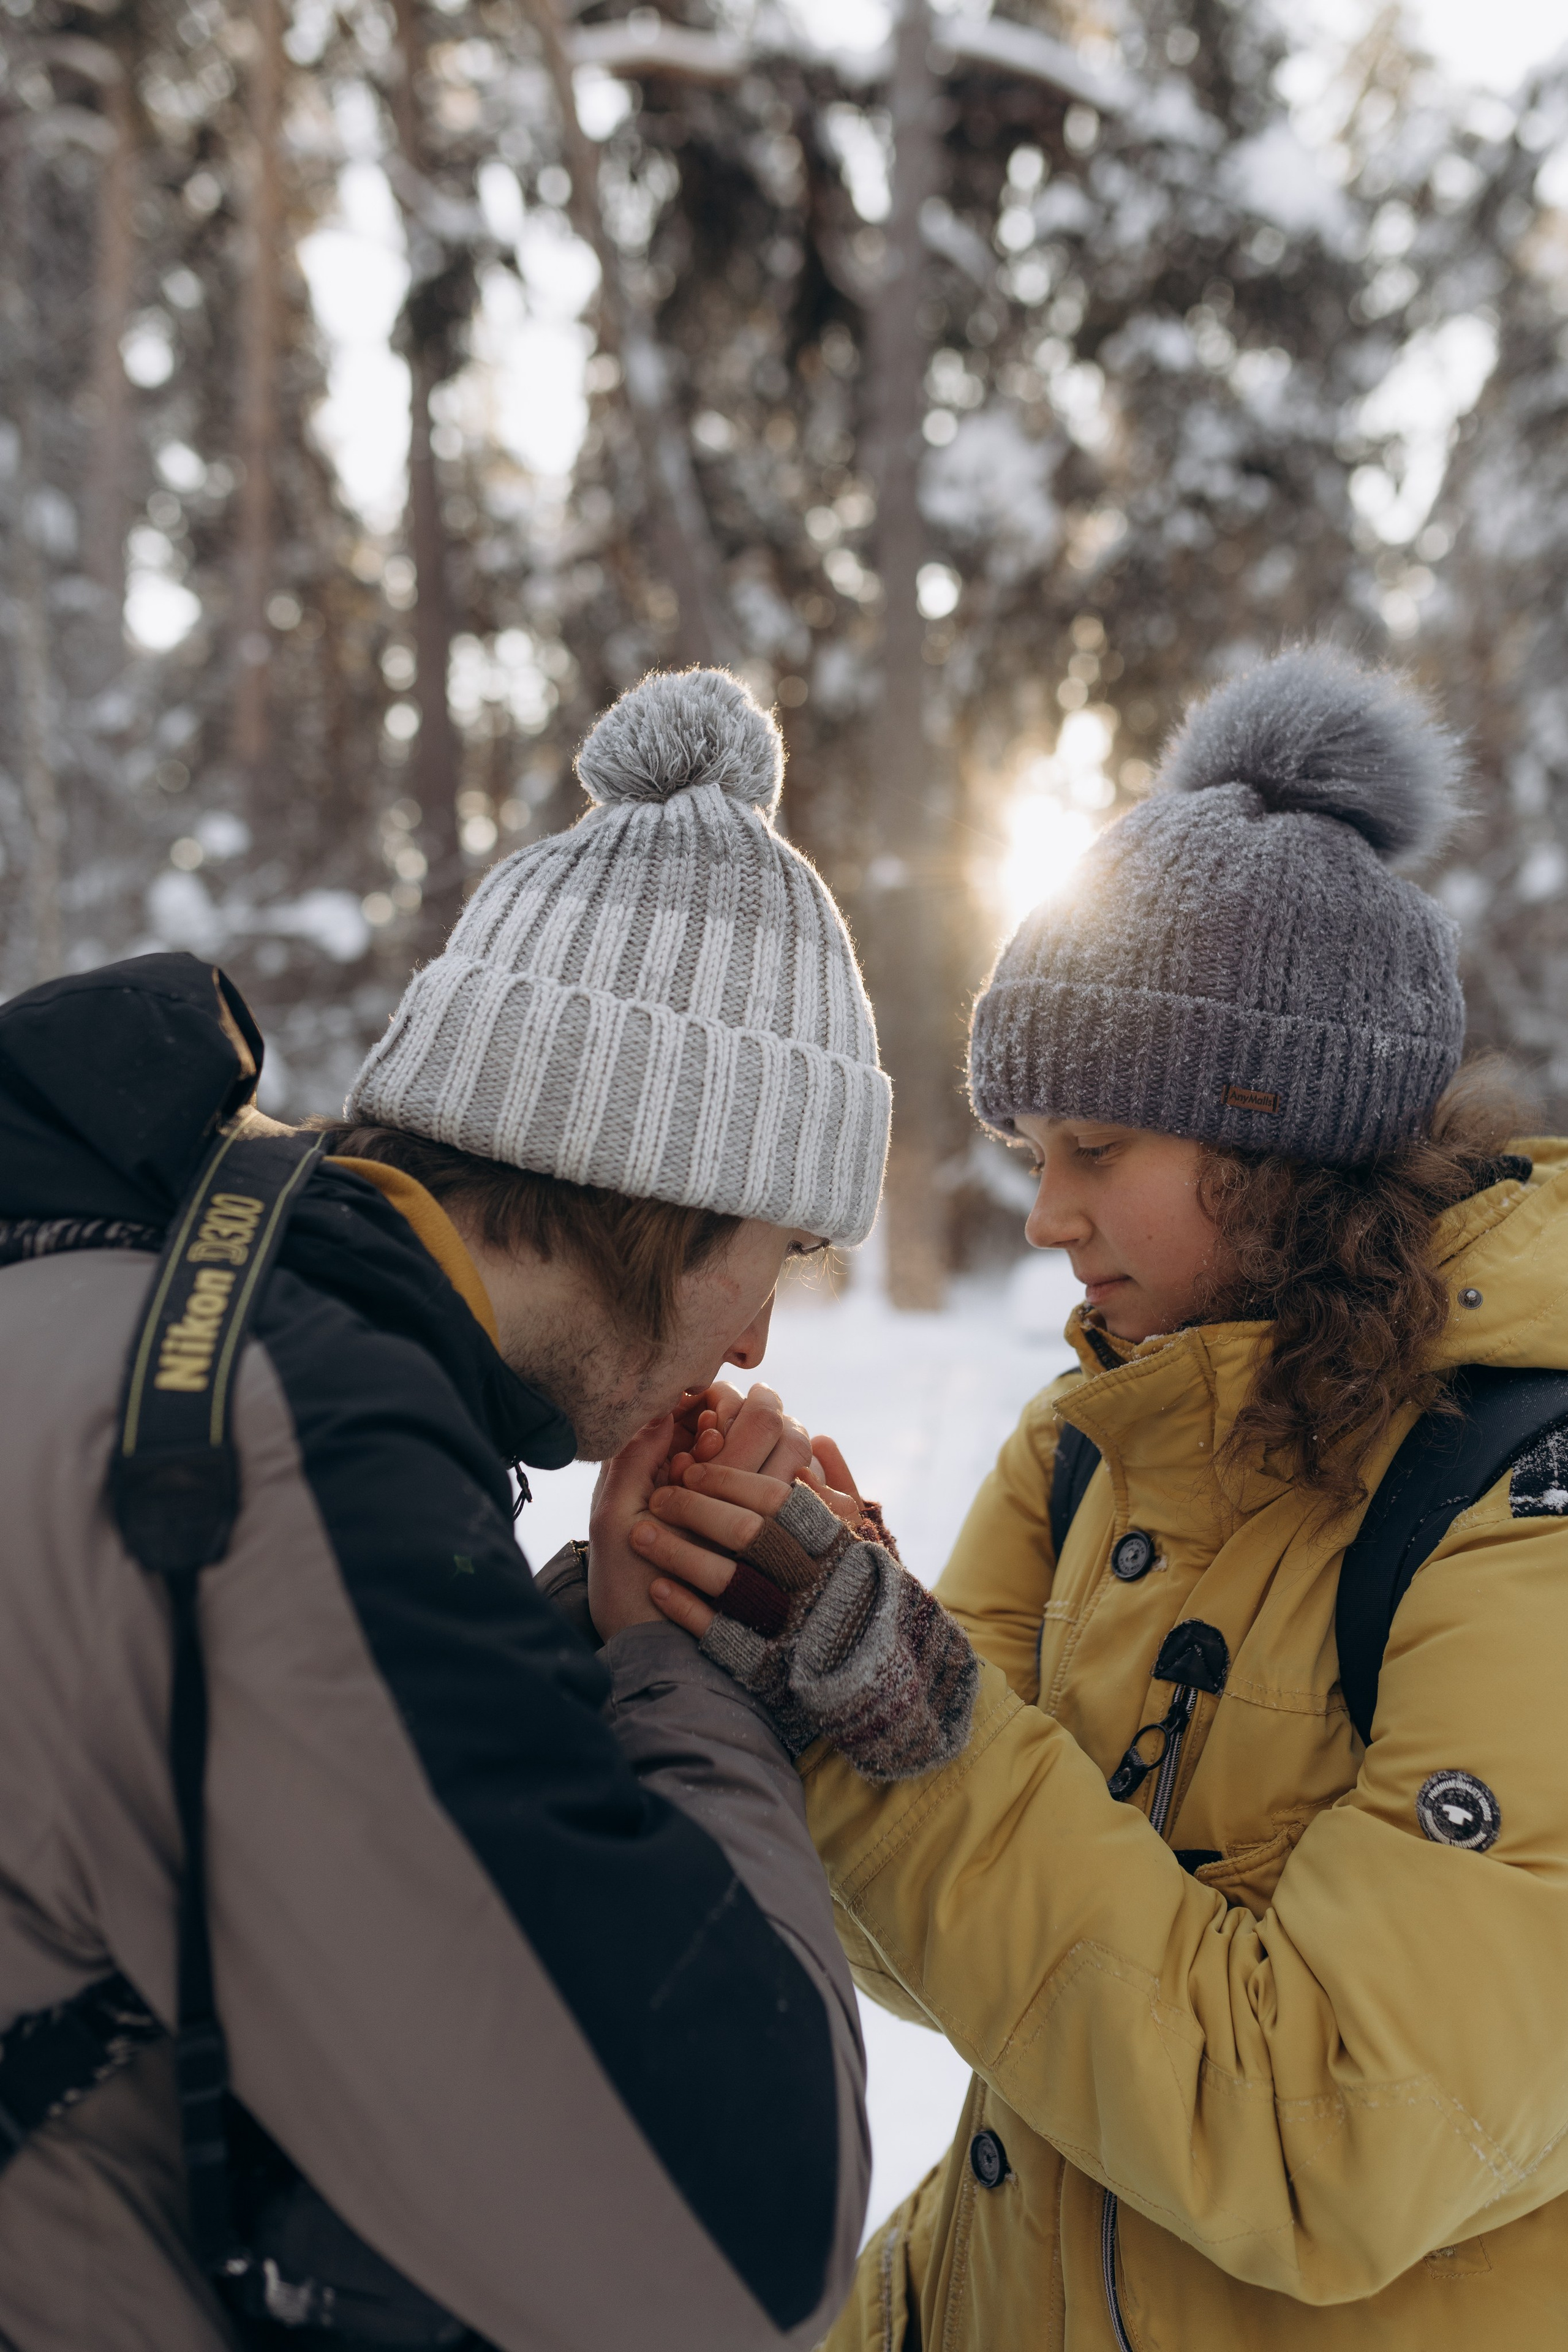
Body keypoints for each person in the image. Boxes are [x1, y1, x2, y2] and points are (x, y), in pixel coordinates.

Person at [627, 646, 1568, 2348]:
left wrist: (914, 1715)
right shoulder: (1097, 1445)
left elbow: (1330, 2134)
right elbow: (966, 1958)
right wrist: (809, 1654)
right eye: (1030, 1149)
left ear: (1275, 1131)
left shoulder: (1524, 1507)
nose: (1046, 1213)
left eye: (1095, 1150)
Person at [0, 669, 935, 2351]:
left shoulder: (152, 1309)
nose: (766, 1334)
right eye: (778, 1252)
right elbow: (741, 2245)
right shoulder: (284, 1454)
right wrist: (687, 1681)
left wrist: (562, 1628)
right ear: (664, 1189)